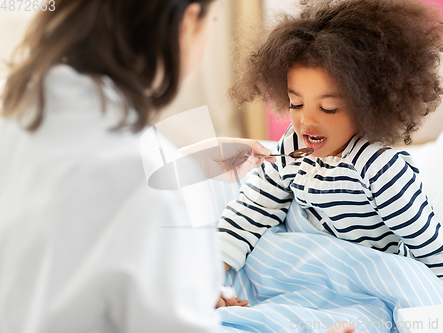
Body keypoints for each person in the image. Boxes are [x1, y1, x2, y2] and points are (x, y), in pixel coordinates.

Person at [0, 0, 273, 332]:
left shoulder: (19, 114)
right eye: (212, 18)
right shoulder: (148, 193)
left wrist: (184, 162)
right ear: (187, 23)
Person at [217, 0, 443, 309]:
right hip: (296, 264)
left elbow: (427, 243)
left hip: (356, 281)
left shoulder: (380, 170)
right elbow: (252, 209)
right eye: (296, 103)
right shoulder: (291, 144)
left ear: (368, 104)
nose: (307, 121)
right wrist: (212, 275)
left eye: (329, 108)